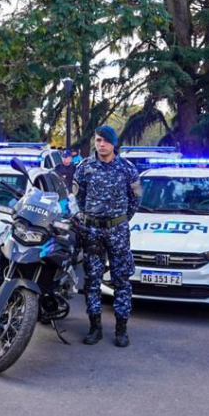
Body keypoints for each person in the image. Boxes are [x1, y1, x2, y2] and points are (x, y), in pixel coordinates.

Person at [73, 126, 141, 347]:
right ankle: (95, 328)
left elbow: (135, 200)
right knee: (92, 280)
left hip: (118, 231)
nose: (101, 144)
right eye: (98, 140)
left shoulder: (127, 169)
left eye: (105, 141)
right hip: (92, 230)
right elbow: (78, 197)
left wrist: (119, 219)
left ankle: (121, 330)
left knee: (121, 280)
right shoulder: (84, 167)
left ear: (114, 144)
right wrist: (89, 217)